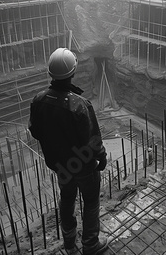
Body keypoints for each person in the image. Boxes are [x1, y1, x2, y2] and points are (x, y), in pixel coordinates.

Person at [29, 48, 109, 254]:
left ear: (50, 73)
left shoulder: (38, 100)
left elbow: (35, 131)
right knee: (90, 202)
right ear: (73, 72)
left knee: (67, 199)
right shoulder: (79, 105)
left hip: (61, 167)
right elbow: (93, 140)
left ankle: (69, 245)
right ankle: (90, 244)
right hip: (83, 166)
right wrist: (101, 157)